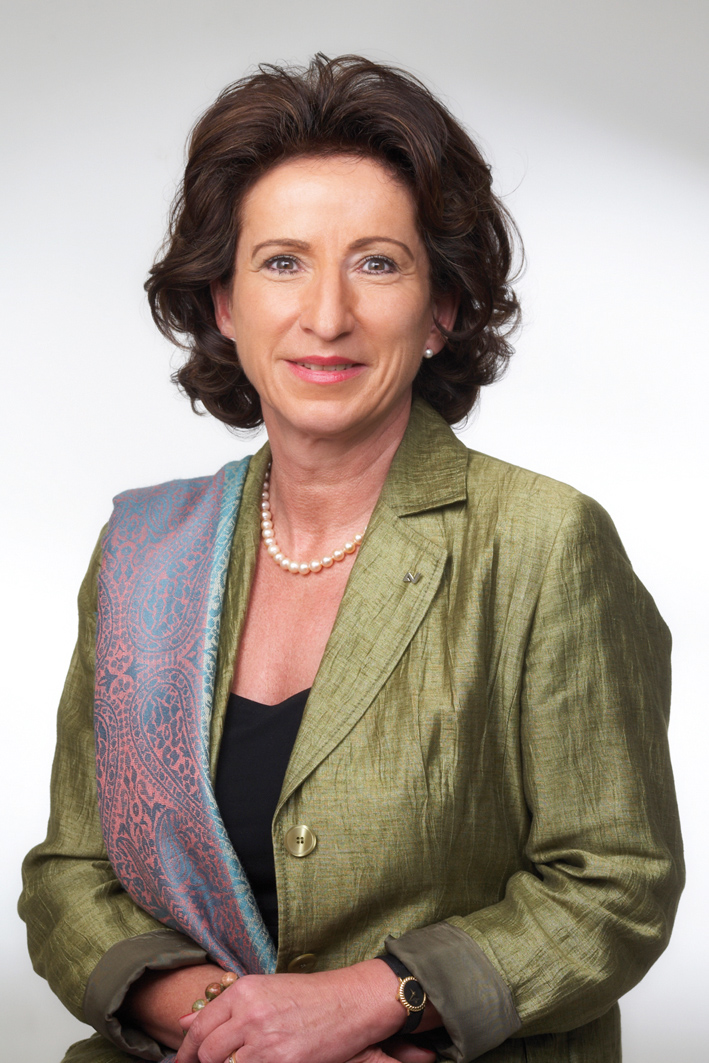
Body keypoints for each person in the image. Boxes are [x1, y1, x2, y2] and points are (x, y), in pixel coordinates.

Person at [19, 54, 683, 1063]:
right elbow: (71, 875)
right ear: (225, 302)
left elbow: (614, 885)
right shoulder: (144, 551)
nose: (325, 315)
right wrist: (232, 1024)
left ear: (442, 306)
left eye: (376, 263)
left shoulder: (543, 542)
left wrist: (377, 999)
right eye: (281, 262)